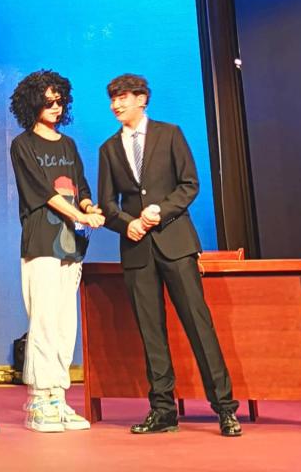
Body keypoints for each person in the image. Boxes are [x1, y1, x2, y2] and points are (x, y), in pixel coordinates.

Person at [96, 73, 242, 437]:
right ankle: (162, 410)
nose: (116, 104)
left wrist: (160, 211)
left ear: (141, 98)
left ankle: (225, 408)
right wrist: (127, 224)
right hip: (137, 250)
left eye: (122, 97)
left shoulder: (170, 134)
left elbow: (189, 184)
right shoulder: (108, 149)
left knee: (198, 325)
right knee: (151, 333)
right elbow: (107, 205)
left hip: (175, 244)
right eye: (112, 99)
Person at [8, 70, 104, 433]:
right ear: (32, 103)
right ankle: (39, 401)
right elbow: (42, 191)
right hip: (41, 242)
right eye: (48, 101)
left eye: (60, 100)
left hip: (71, 245)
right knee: (45, 321)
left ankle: (59, 398)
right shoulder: (23, 144)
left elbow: (80, 187)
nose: (55, 107)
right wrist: (78, 214)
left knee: (66, 324)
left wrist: (88, 207)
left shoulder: (68, 145)